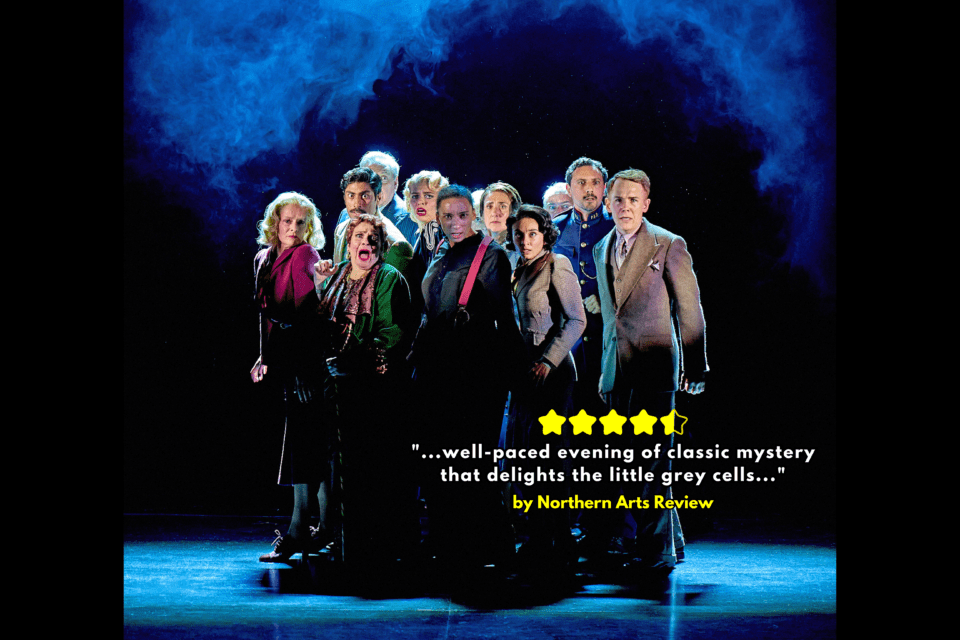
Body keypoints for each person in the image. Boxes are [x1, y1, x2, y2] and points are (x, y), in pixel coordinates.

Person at [593, 168, 708, 571]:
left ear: (646, 204)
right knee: (625, 461)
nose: (625, 207)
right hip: (616, 370)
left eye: (632, 200)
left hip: (655, 367)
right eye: (618, 199)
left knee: (656, 461)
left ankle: (656, 549)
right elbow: (611, 317)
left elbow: (690, 311)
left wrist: (696, 367)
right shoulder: (602, 247)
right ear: (607, 205)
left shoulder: (667, 243)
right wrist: (606, 369)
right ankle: (664, 542)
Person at [411, 185, 524, 570]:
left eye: (462, 215)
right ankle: (448, 542)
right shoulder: (440, 255)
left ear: (473, 215)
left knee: (472, 463)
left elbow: (505, 320)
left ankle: (490, 548)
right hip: (436, 373)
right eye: (447, 216)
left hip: (476, 376)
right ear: (437, 219)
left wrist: (514, 373)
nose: (455, 223)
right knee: (440, 462)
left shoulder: (490, 256)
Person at [313, 213, 414, 563]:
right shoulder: (337, 274)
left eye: (372, 237)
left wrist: (359, 359)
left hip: (374, 387)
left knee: (377, 468)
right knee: (342, 470)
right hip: (337, 386)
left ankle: (381, 549)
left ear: (381, 245)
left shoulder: (388, 277)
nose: (365, 243)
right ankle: (348, 547)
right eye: (359, 236)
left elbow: (393, 330)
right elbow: (323, 323)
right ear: (348, 241)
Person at [503, 205, 586, 568]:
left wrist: (548, 360)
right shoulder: (516, 267)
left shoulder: (558, 264)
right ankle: (539, 536)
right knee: (525, 457)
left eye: (533, 233)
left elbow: (576, 320)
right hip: (523, 373)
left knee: (551, 459)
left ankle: (557, 538)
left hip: (552, 376)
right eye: (519, 234)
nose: (525, 240)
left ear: (545, 234)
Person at [251, 192, 327, 562]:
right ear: (275, 223)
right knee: (302, 442)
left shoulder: (306, 255)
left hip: (306, 361)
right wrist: (264, 356)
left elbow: (308, 321)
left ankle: (306, 529)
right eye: (287, 221)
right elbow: (264, 314)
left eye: (300, 222)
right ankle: (312, 529)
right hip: (284, 360)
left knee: (308, 444)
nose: (293, 228)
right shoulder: (263, 257)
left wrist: (298, 367)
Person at [551, 157, 614, 420]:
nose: (589, 189)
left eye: (595, 183)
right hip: (566, 346)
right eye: (581, 182)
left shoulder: (619, 227)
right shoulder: (553, 230)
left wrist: (605, 299)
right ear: (569, 188)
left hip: (607, 345)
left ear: (604, 188)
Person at [333, 167, 414, 278]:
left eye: (365, 196)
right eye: (351, 195)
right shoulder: (341, 229)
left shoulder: (395, 245)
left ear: (378, 197)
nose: (357, 204)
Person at [334, 151, 418, 244]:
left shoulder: (412, 218)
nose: (376, 186)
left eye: (383, 178)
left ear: (395, 183)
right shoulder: (346, 214)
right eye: (368, 179)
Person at [403, 170, 450, 319]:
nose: (420, 202)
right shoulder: (422, 232)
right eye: (415, 196)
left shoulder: (435, 231)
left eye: (428, 196)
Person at [477, 181, 522, 268]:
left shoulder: (524, 250)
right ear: (482, 214)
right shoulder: (472, 250)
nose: (495, 213)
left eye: (503, 206)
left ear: (514, 212)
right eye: (489, 206)